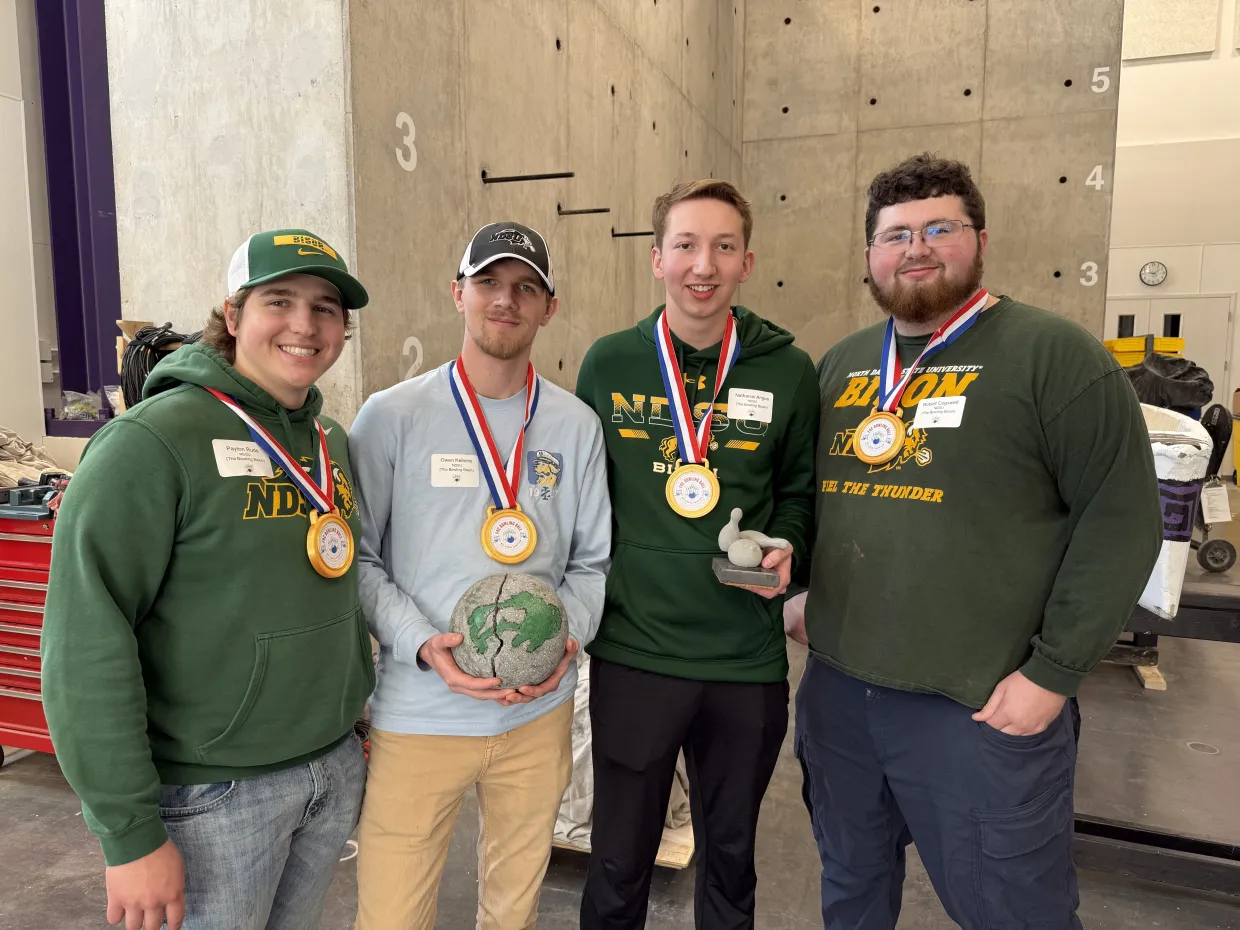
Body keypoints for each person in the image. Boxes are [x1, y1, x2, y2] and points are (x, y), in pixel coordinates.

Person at [786, 152, 1162, 929]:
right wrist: (799, 593)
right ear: (869, 257)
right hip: (841, 698)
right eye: (896, 235)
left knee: (1013, 909)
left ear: (980, 239)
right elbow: (814, 501)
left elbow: (1120, 521)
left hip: (980, 706)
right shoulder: (843, 367)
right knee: (850, 889)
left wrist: (1052, 676)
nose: (916, 248)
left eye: (939, 228)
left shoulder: (1055, 358)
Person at [41, 228, 375, 930]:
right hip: (213, 796)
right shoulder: (153, 442)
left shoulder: (329, 443)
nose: (304, 325)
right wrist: (128, 835)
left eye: (325, 308)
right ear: (233, 315)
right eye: (278, 301)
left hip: (330, 768)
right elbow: (84, 646)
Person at [349, 221, 610, 930]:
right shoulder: (391, 417)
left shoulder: (576, 425)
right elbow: (359, 560)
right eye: (489, 282)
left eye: (527, 288)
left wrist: (567, 640)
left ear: (548, 307)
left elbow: (590, 562)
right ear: (457, 293)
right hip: (420, 714)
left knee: (513, 908)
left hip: (534, 715)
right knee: (391, 915)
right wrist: (420, 642)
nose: (507, 300)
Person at [574, 179, 819, 929]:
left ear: (748, 261)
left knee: (731, 859)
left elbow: (801, 495)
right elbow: (584, 503)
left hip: (743, 661)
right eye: (685, 245)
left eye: (722, 246)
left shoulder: (787, 371)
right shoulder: (610, 364)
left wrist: (789, 550)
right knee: (618, 859)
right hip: (636, 651)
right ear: (657, 260)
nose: (702, 264)